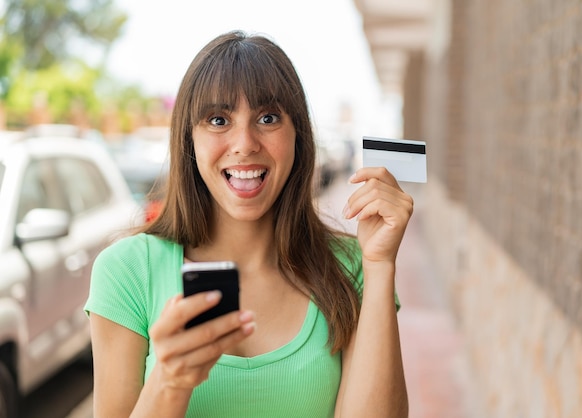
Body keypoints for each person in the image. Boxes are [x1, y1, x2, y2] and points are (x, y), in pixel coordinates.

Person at [85, 30, 413, 418]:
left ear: (298, 136)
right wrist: (169, 382)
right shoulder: (127, 271)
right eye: (219, 120)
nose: (244, 143)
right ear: (188, 140)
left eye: (268, 118)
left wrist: (379, 265)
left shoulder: (352, 265)